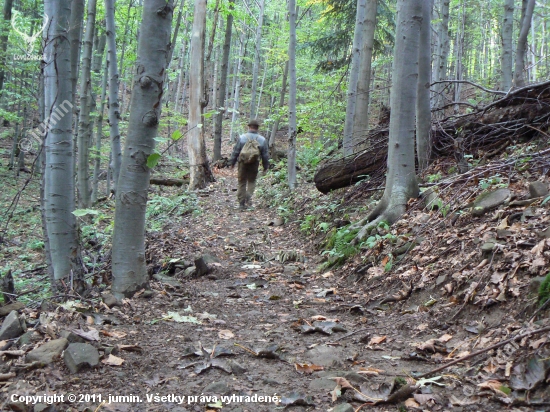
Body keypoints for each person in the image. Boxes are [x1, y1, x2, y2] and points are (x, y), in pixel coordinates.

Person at [229, 119, 269, 210]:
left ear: (249, 127)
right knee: (252, 181)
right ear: (257, 128)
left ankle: (241, 204)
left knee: (241, 182)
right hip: (254, 163)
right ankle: (248, 197)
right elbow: (265, 155)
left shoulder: (242, 137)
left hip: (242, 163)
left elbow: (236, 151)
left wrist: (232, 163)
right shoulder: (262, 140)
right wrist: (265, 166)